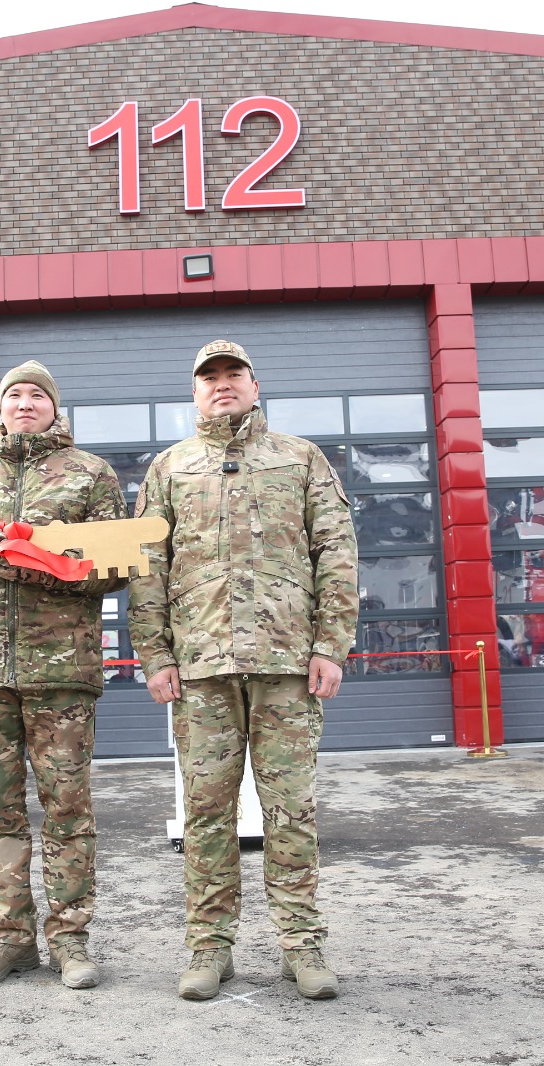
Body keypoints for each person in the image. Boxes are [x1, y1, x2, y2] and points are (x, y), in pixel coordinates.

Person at [128, 339, 359, 1002]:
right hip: (202, 667)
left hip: (287, 662)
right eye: (210, 377)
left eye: (234, 374)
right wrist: (156, 656)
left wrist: (330, 645)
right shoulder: (170, 467)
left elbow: (336, 552)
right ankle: (209, 947)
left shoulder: (301, 458)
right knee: (205, 813)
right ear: (195, 392)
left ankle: (301, 944)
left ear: (256, 386)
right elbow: (147, 569)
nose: (222, 384)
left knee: (292, 810)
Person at [0, 360, 125, 991]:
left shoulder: (91, 474)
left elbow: (117, 568)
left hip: (62, 670)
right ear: (0, 407)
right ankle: (9, 939)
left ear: (54, 407)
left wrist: (37, 562)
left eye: (37, 395)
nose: (24, 403)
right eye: (13, 394)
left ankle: (70, 940)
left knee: (67, 808)